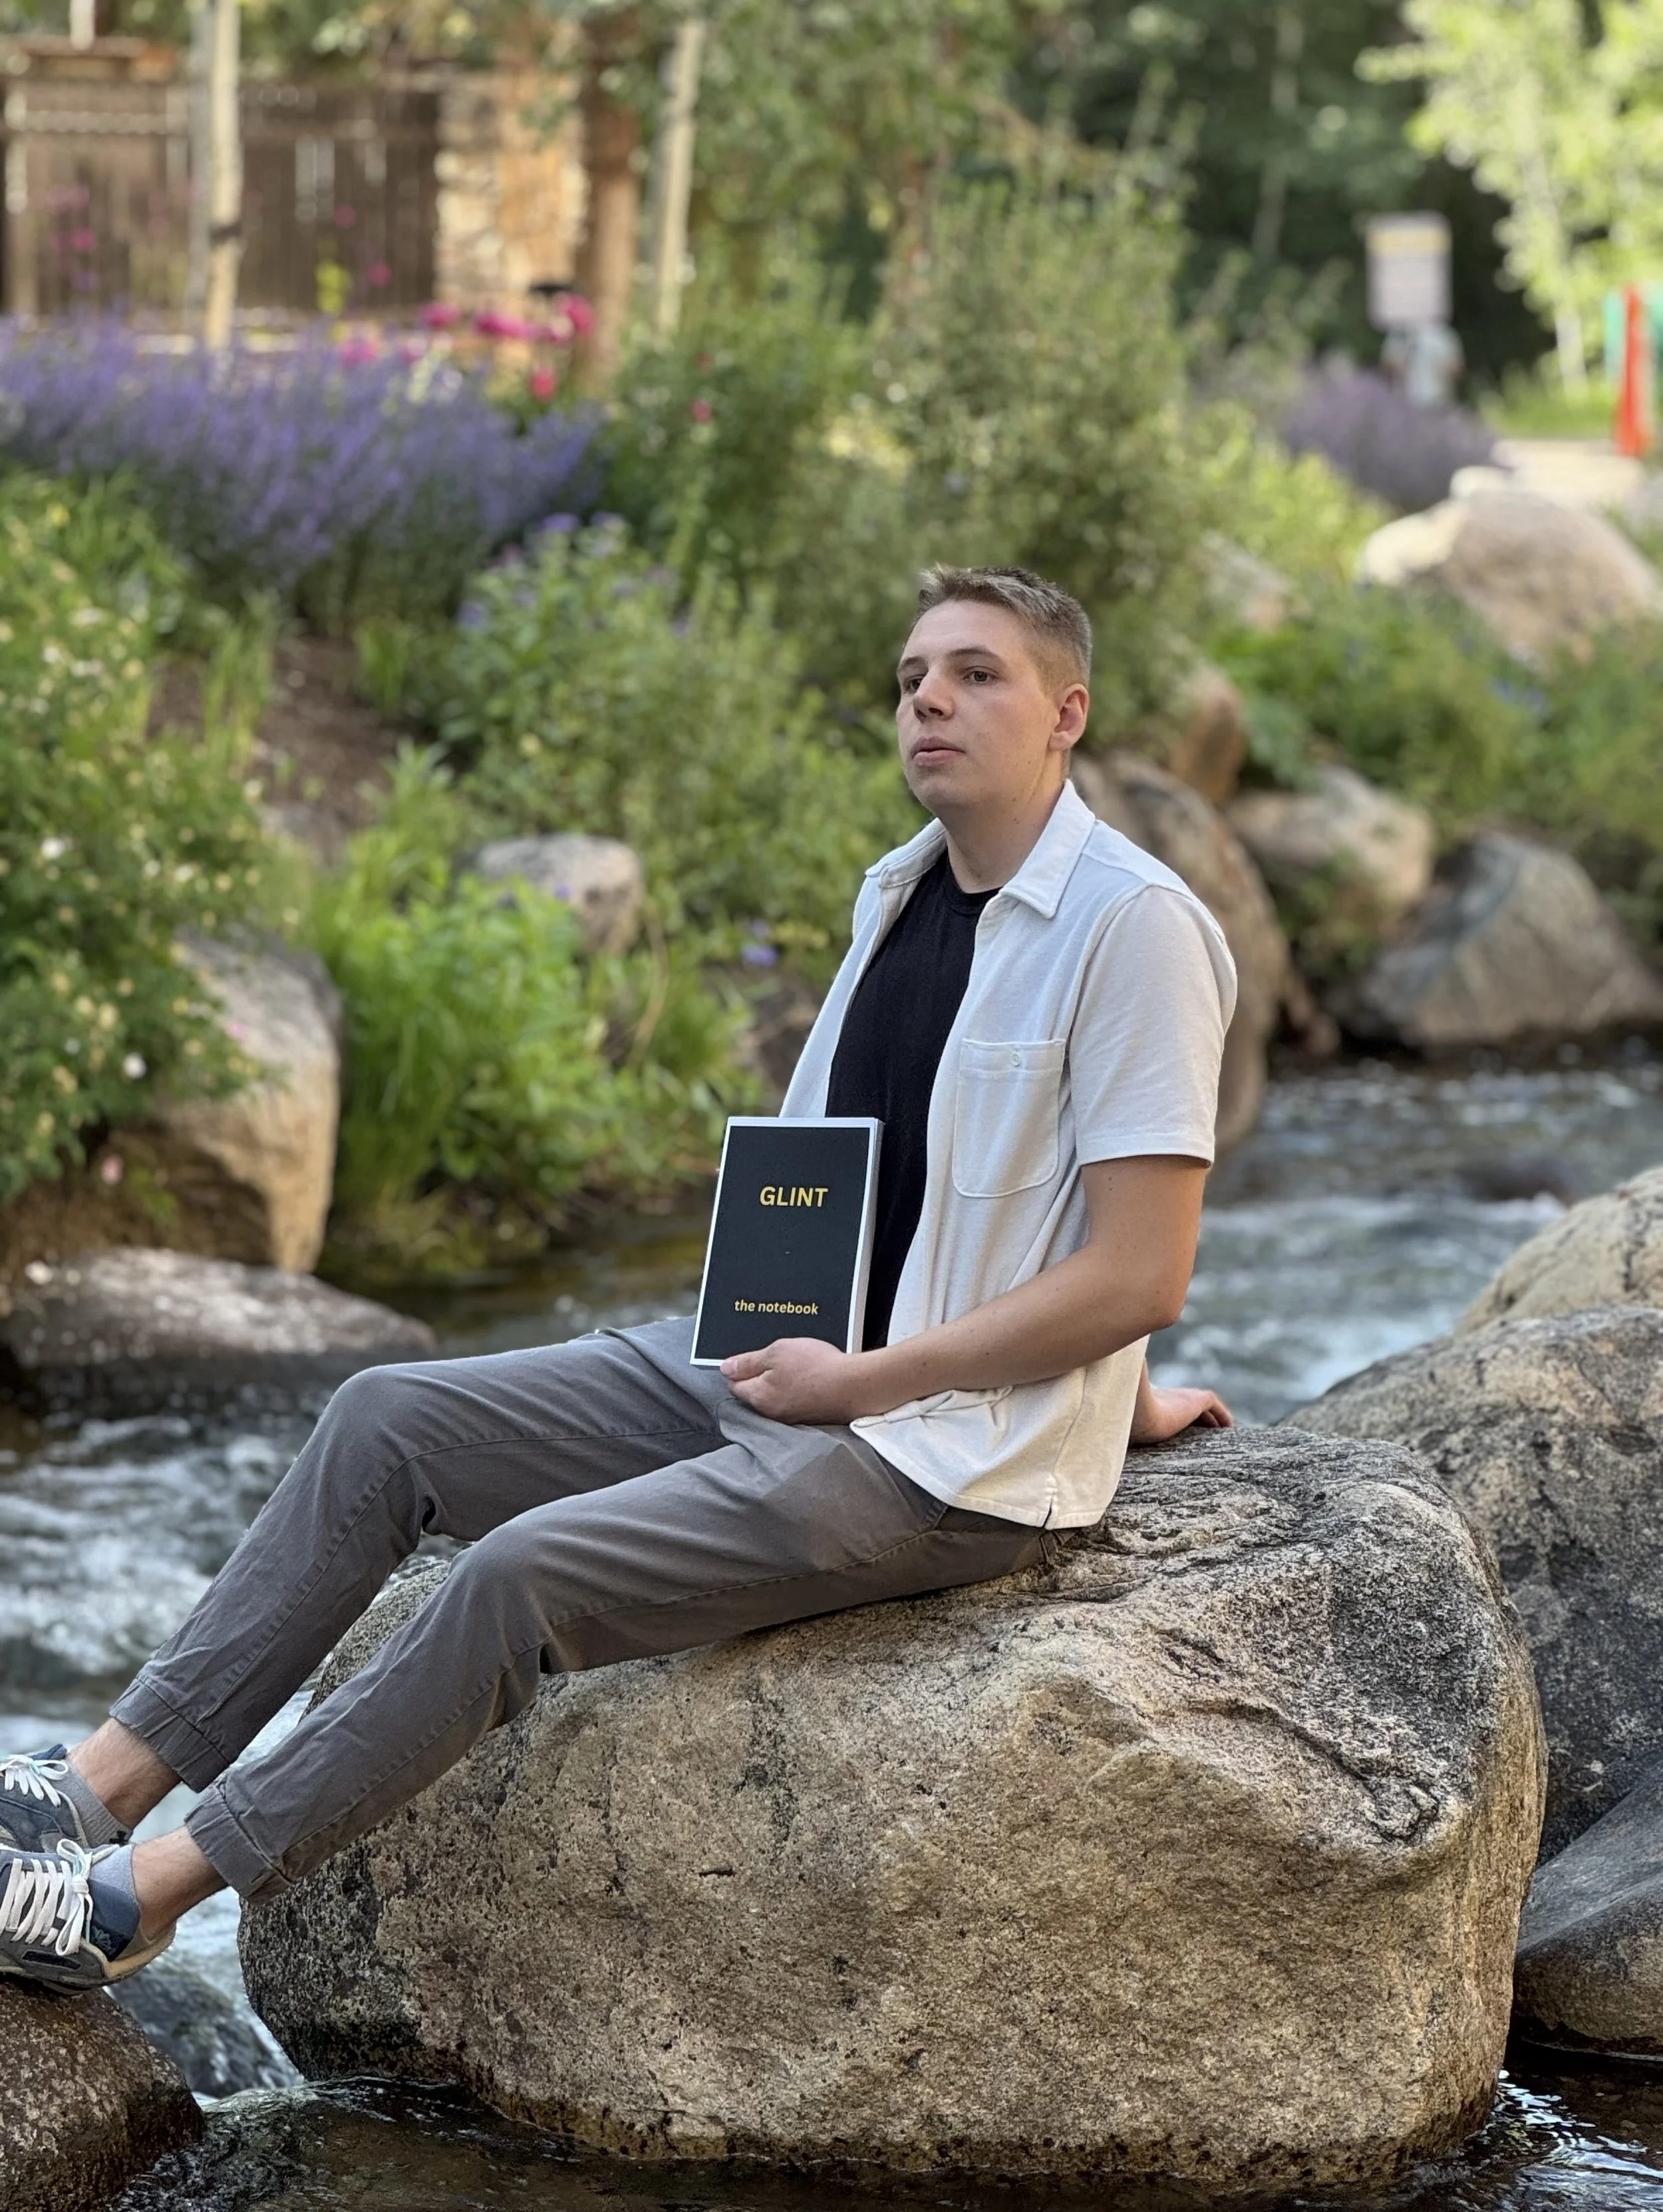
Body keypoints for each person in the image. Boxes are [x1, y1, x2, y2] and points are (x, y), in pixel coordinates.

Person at [0, 563, 1236, 1993]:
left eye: (976, 674)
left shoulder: (1134, 927)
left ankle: (139, 1898)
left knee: (517, 1576)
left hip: (931, 1458)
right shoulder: (900, 894)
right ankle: (94, 1787)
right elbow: (979, 1196)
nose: (930, 702)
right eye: (911, 679)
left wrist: (925, 1383)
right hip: (778, 1362)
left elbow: (1139, 1266)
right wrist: (1115, 1393)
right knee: (385, 1418)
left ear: (1067, 713)